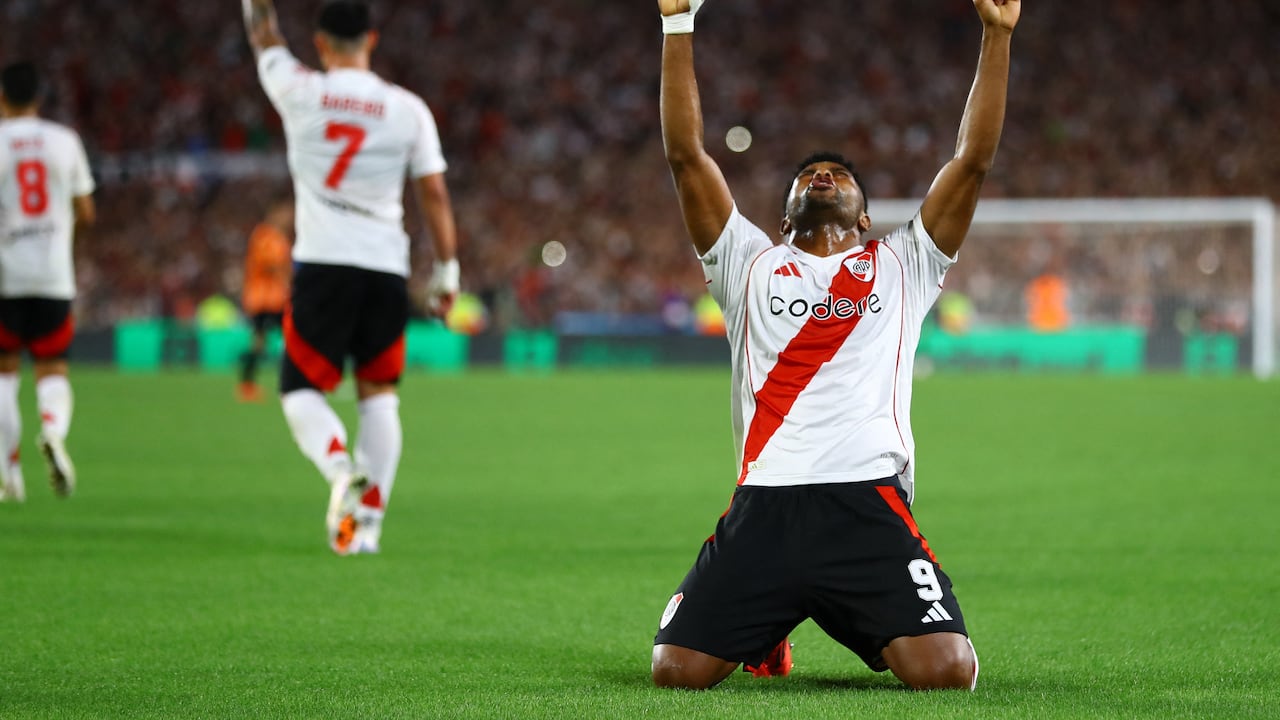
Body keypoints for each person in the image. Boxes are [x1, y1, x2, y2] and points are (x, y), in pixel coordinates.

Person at [650, 0, 1020, 690]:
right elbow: (684, 155)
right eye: (808, 174)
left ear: (867, 213)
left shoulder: (907, 263)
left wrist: (997, 36)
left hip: (865, 500)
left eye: (838, 174)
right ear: (786, 208)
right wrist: (677, 26)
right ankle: (772, 619)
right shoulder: (745, 262)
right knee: (675, 673)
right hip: (766, 501)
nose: (823, 176)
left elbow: (972, 162)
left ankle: (787, 612)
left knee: (947, 673)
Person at [242, 0, 461, 554]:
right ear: (373, 39)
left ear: (319, 44)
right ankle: (366, 529)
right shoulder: (406, 108)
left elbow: (264, 35)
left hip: (323, 263)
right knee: (380, 398)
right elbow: (433, 192)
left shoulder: (299, 90)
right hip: (386, 265)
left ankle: (339, 465)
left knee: (297, 390)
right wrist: (448, 268)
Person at [0, 61, 96, 503]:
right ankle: (53, 432)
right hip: (54, 276)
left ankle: (9, 471)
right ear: (38, 97)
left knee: (4, 378)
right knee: (52, 370)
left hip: (5, 277)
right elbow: (87, 212)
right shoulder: (64, 141)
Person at [237, 193, 294, 402]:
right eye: (285, 213)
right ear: (274, 213)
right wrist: (288, 275)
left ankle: (292, 381)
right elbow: (270, 264)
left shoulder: (278, 236)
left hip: (276, 298)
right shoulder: (264, 235)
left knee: (287, 338)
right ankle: (247, 385)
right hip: (263, 298)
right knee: (261, 342)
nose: (289, 217)